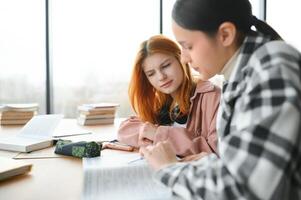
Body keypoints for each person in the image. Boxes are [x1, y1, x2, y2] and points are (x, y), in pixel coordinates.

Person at [140, 0, 301, 199]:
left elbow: (244, 188)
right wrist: (209, 164)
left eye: (188, 46)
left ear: (225, 34)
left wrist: (167, 169)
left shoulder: (272, 68)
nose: (184, 59)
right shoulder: (238, 74)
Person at [118, 35, 221, 157]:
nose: (161, 77)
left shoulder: (212, 96)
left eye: (166, 66)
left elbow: (214, 151)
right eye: (151, 74)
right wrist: (147, 132)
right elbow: (124, 130)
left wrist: (158, 134)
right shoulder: (161, 103)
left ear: (180, 58)